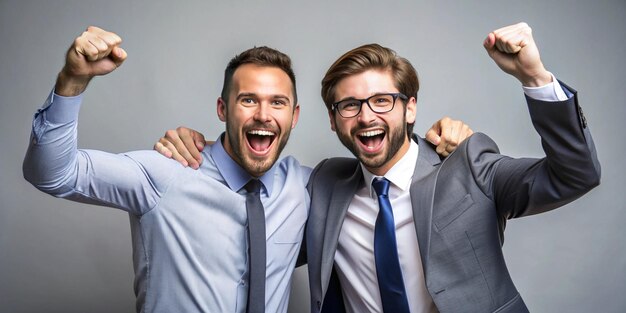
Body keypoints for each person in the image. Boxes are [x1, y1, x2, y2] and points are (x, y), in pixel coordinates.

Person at [158, 23, 600, 313]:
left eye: (382, 101)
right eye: (349, 105)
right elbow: (256, 230)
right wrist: (209, 151)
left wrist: (535, 77)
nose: (366, 116)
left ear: (410, 110)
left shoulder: (468, 164)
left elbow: (575, 174)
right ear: (332, 120)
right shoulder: (325, 186)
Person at [22, 26, 469, 313]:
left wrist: (443, 143)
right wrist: (73, 81)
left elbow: (386, 180)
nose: (262, 115)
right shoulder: (164, 173)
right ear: (223, 109)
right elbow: (52, 172)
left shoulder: (311, 187)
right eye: (247, 100)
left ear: (294, 117)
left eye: (277, 102)